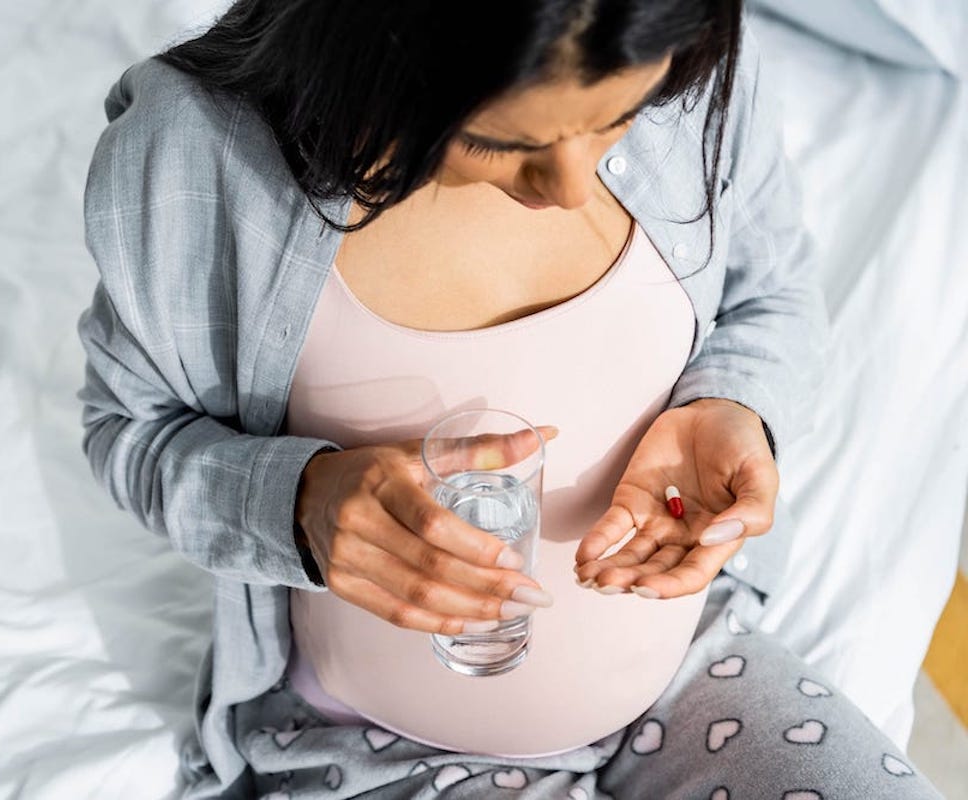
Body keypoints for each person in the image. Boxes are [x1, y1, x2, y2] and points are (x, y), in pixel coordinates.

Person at [76, 1, 944, 797]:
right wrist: (299, 505)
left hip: (695, 668)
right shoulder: (195, 164)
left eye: (616, 117)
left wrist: (734, 404)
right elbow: (130, 431)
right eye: (502, 143)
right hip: (376, 738)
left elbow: (773, 295)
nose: (570, 188)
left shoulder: (682, 54)